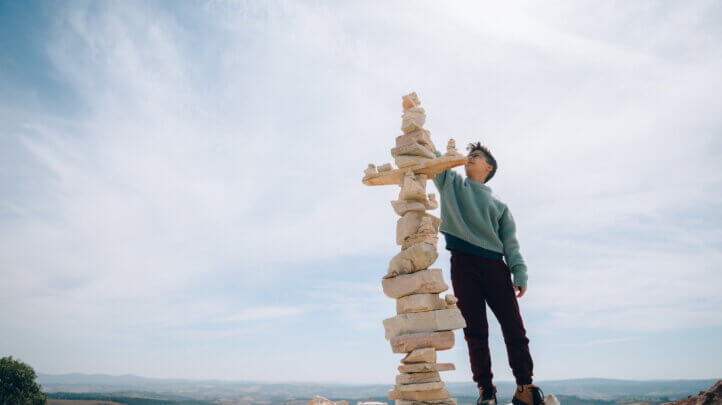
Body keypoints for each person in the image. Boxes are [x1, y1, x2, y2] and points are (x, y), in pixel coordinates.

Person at [427, 140, 545, 405]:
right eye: (469, 154)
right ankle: (486, 391)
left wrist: (519, 272)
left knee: (514, 327)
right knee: (475, 331)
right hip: (462, 263)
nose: (470, 157)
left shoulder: (499, 204)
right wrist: (424, 136)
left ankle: (524, 387)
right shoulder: (451, 183)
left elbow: (511, 242)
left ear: (488, 167)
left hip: (494, 265)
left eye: (476, 155)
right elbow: (435, 159)